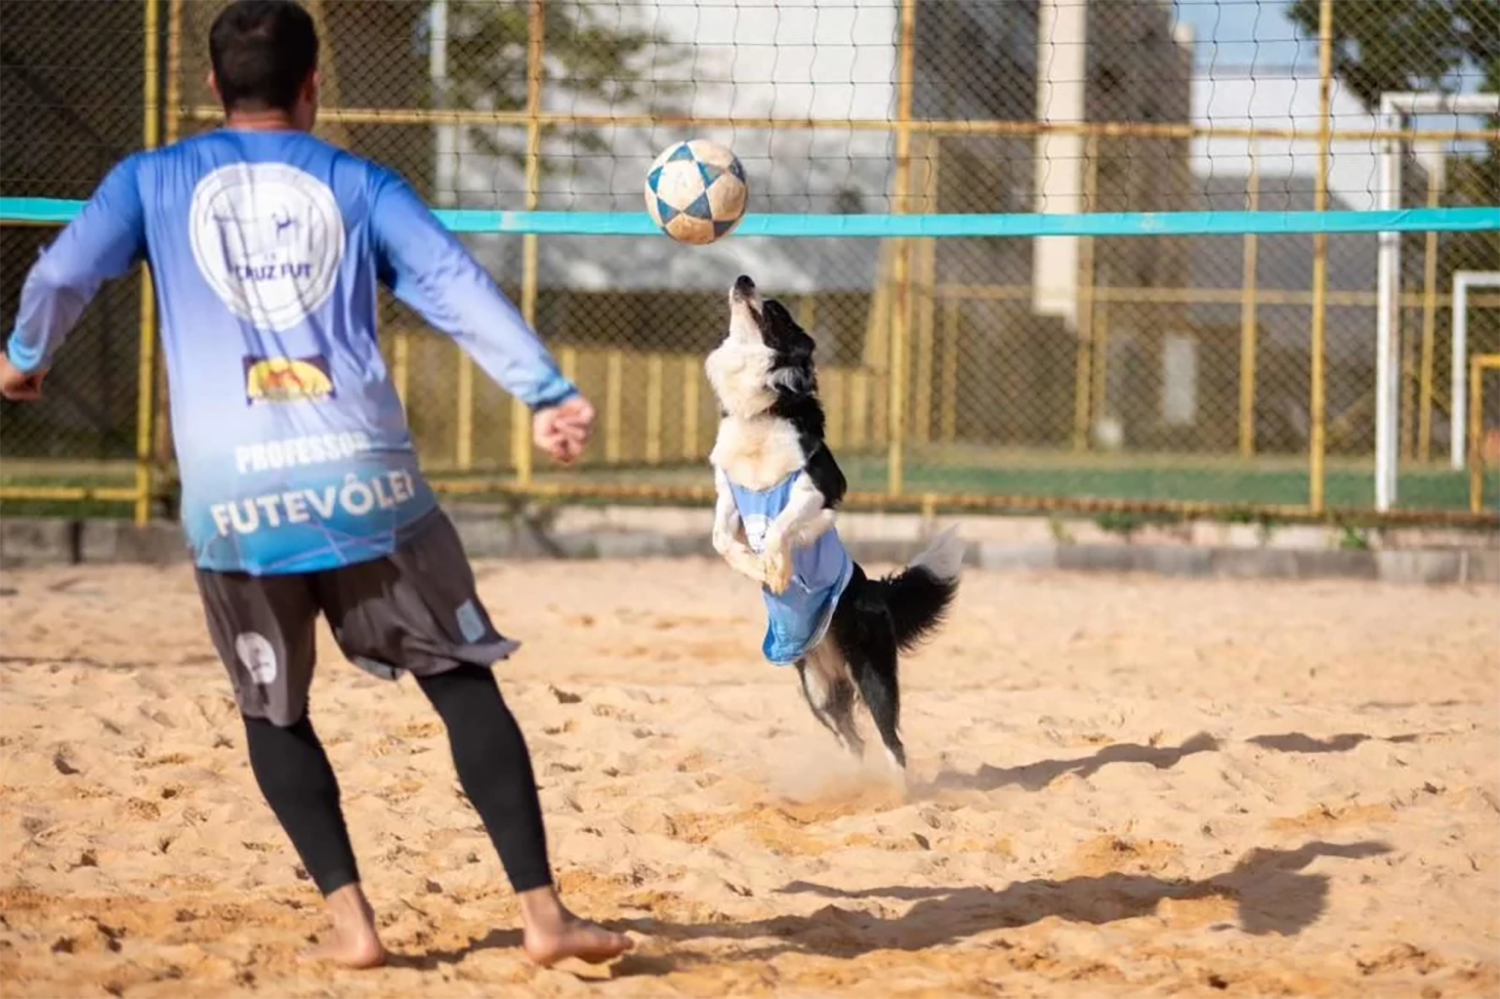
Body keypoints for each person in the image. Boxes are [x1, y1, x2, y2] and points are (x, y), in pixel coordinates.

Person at [0, 0, 631, 971]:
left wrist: (23, 355)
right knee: (462, 682)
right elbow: (457, 285)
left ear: (211, 87)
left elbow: (63, 272)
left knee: (274, 710)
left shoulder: (150, 180)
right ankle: (543, 916)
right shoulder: (360, 183)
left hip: (233, 502)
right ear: (313, 85)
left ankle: (354, 924)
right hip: (366, 488)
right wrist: (545, 393)